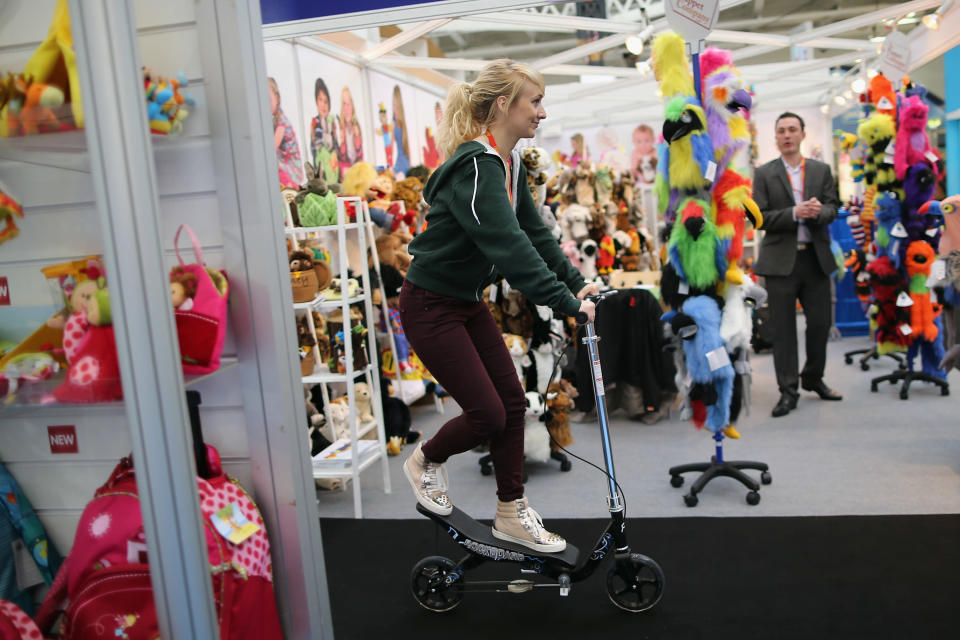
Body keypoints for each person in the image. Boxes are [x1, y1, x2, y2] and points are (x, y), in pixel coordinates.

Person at [399, 59, 598, 553]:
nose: (542, 113)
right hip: (430, 305)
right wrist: (562, 301)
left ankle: (511, 511)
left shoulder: (505, 165)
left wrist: (579, 285)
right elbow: (508, 246)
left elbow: (537, 233)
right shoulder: (476, 167)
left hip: (464, 305)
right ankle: (424, 459)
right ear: (505, 105)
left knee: (511, 404)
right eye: (535, 102)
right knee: (487, 412)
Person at [753, 112, 842, 418]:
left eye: (792, 129)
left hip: (815, 259)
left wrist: (818, 212)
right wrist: (794, 212)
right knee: (783, 331)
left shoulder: (821, 170)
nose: (787, 135)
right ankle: (787, 391)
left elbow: (834, 209)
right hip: (780, 262)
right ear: (775, 138)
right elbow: (759, 218)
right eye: (781, 131)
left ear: (803, 134)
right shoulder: (764, 173)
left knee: (819, 325)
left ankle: (813, 378)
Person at [267, 77, 303, 189]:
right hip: (285, 167)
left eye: (268, 100)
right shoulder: (273, 119)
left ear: (277, 98)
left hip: (291, 170)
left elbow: (272, 147)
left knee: (273, 163)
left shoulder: (282, 121)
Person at [309, 77, 339, 184]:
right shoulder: (314, 122)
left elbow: (336, 145)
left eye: (326, 101)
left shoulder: (332, 122)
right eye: (320, 100)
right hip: (322, 169)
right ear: (316, 102)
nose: (323, 105)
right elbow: (314, 150)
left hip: (333, 168)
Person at [337, 86, 363, 178]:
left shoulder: (356, 126)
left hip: (356, 168)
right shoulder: (340, 127)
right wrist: (342, 141)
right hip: (345, 170)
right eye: (344, 104)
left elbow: (360, 156)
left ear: (352, 105)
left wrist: (356, 137)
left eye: (348, 104)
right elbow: (341, 159)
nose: (346, 108)